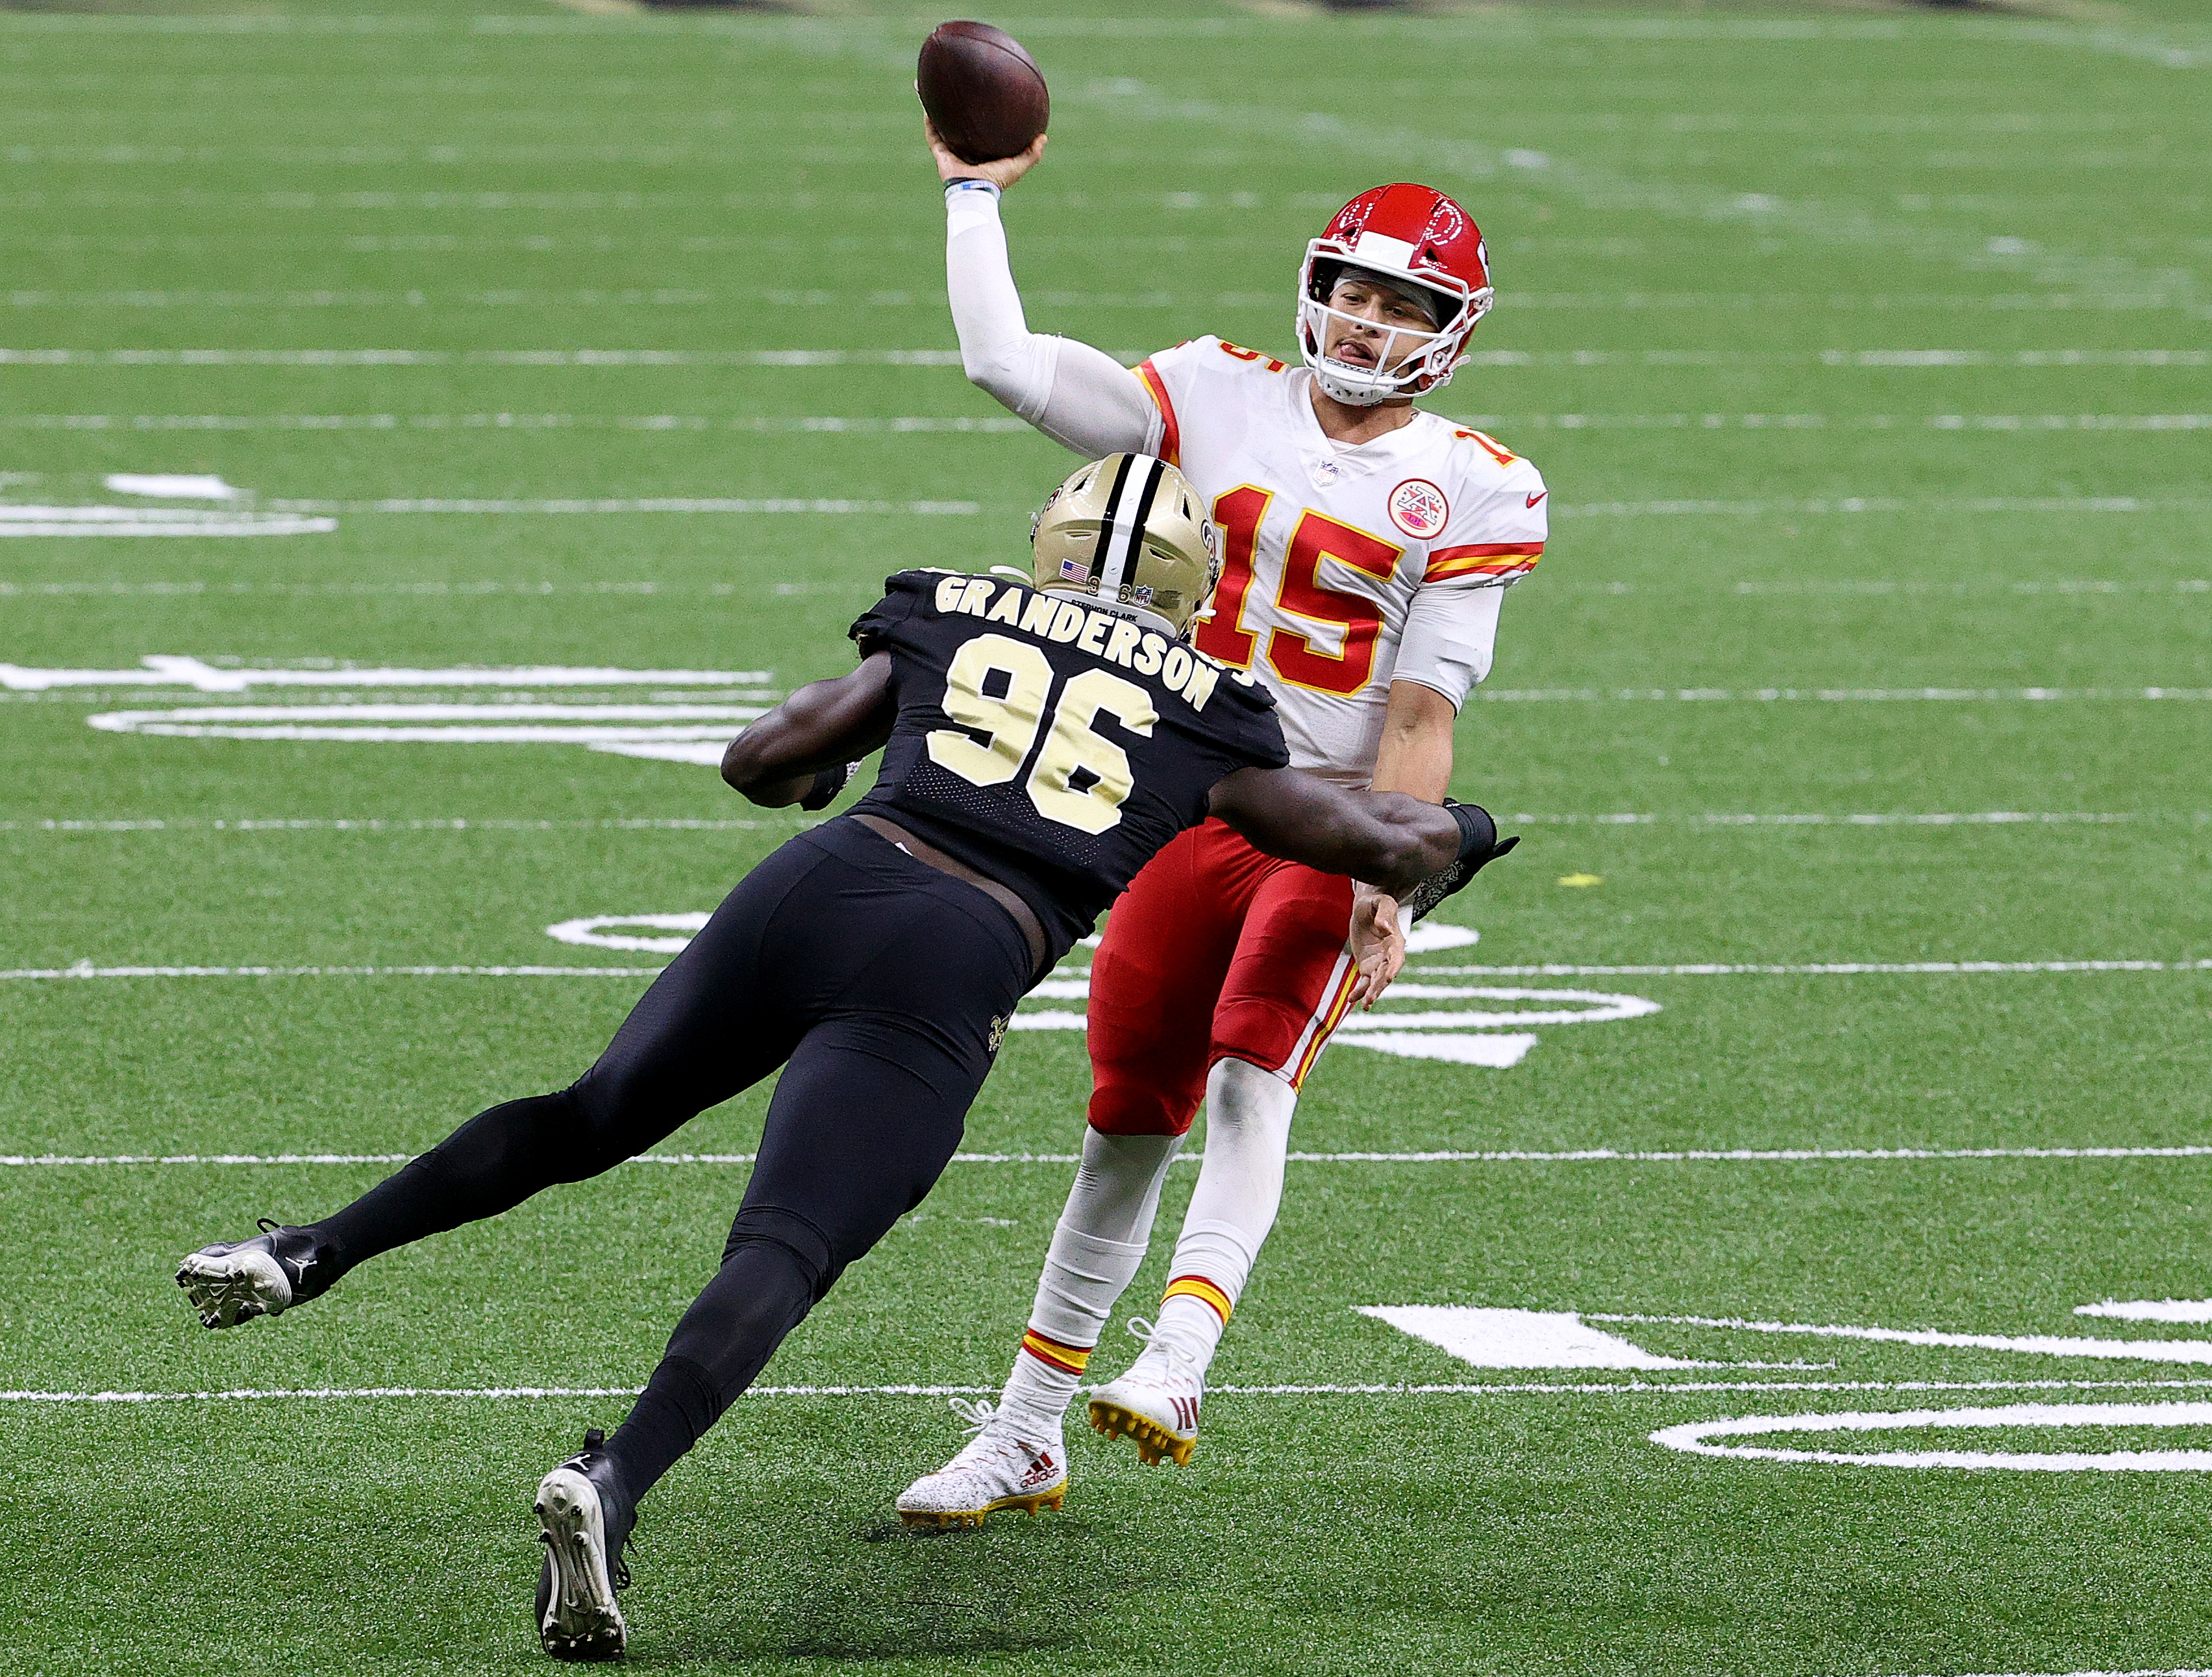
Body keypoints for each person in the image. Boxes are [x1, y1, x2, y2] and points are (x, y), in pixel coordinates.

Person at [174, 454, 1516, 1662]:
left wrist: (813, 779)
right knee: (784, 1244)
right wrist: (1471, 821)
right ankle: (618, 1474)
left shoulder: (953, 607)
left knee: (586, 1111)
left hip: (817, 879)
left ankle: (312, 1248)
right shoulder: (1217, 706)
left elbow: (764, 756)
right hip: (956, 952)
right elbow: (1382, 842)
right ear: (1195, 585)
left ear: (1045, 541)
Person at [897, 126, 1550, 1522]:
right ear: (1317, 285)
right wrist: (971, 197)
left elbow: (1423, 708)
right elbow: (1003, 364)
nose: (1371, 321)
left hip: (1331, 819)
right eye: (1355, 290)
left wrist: (1395, 877)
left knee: (1257, 1073)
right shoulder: (1211, 392)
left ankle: (1182, 1353)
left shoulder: (1477, 480)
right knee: (1125, 1118)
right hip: (1189, 804)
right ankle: (1024, 1431)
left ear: (1454, 330)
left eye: (1409, 304)